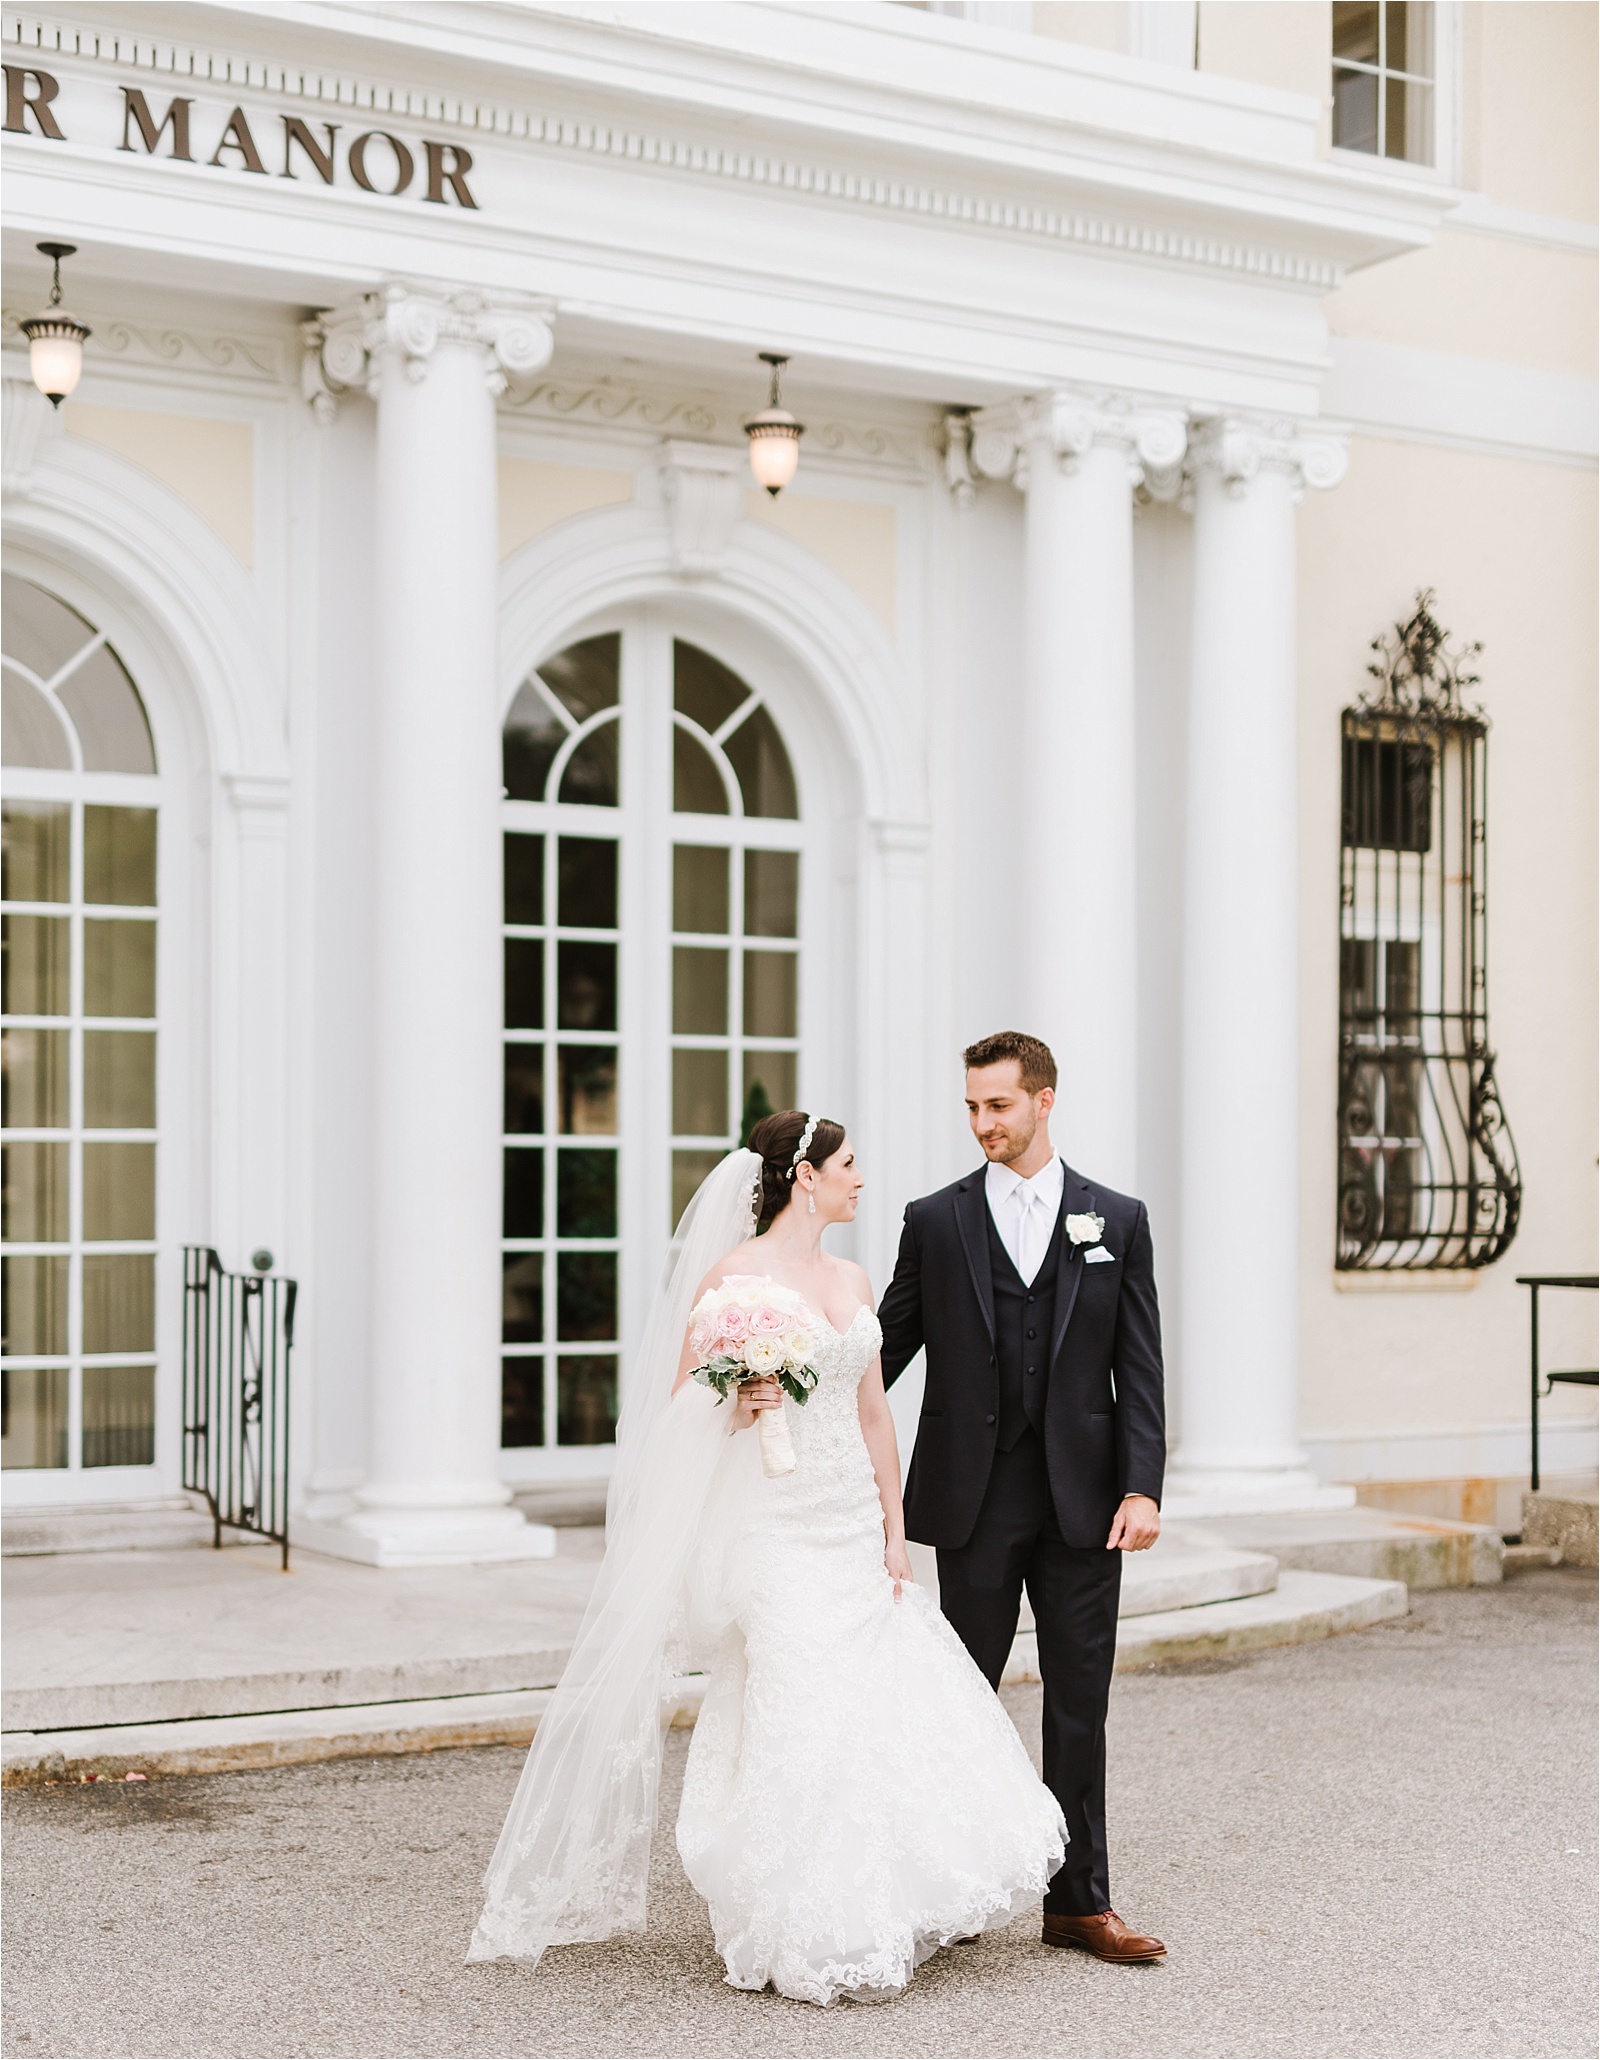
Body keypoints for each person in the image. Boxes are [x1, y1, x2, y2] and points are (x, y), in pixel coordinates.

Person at [469, 1111, 1065, 2005]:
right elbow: (677, 1410)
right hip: (775, 1528)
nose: (862, 1178)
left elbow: (873, 1414)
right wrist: (735, 1404)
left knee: (870, 1706)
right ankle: (804, 1917)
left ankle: (877, 1897)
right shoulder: (734, 1279)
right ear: (805, 1177)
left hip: (850, 1520)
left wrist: (895, 1528)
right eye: (851, 1165)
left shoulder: (853, 1275)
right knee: (803, 1704)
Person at [878, 1031, 1169, 1965]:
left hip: (1085, 1501)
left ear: (1044, 1101)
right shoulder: (935, 1219)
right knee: (962, 1698)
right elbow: (884, 1349)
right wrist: (791, 1397)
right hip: (974, 1497)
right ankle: (954, 1891)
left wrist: (1142, 1484)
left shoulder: (1115, 1219)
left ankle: (1079, 1902)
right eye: (971, 1107)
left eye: (997, 1106)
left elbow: (1139, 1364)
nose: (981, 1124)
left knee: (1080, 1700)